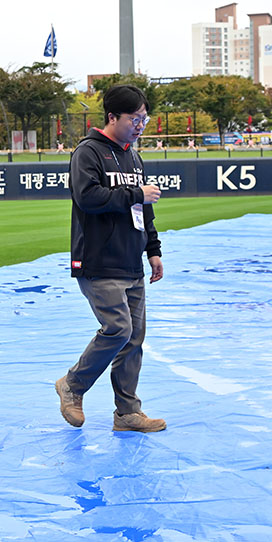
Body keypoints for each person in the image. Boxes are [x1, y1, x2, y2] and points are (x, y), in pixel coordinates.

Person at [54, 83, 167, 433]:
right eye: (135, 118)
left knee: (134, 338)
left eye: (144, 119)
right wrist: (136, 192)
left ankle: (127, 413)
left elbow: (142, 209)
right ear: (112, 116)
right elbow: (88, 197)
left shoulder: (134, 155)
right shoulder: (88, 152)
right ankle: (73, 384)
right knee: (118, 329)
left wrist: (154, 249)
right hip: (98, 260)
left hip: (131, 260)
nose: (140, 125)